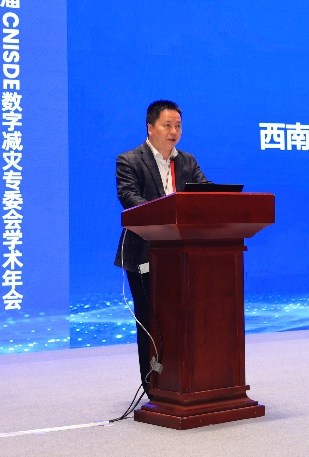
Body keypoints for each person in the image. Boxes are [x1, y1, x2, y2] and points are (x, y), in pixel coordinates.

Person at [114, 100, 210, 396]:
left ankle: (182, 381)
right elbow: (129, 198)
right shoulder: (129, 160)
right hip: (144, 253)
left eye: (178, 126)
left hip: (182, 254)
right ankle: (153, 386)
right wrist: (169, 217)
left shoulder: (187, 161)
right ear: (150, 128)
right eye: (167, 125)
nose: (173, 131)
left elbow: (205, 194)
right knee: (150, 320)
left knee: (181, 318)